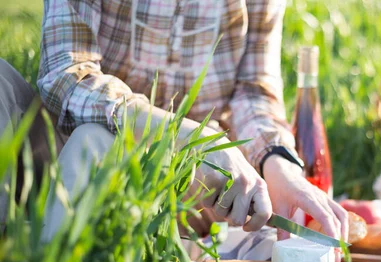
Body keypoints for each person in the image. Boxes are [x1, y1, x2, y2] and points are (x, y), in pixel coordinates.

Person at [0, 0, 348, 248]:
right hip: (63, 147)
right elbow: (66, 74)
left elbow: (253, 91)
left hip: (195, 194)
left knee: (94, 143)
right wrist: (186, 138)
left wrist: (277, 164)